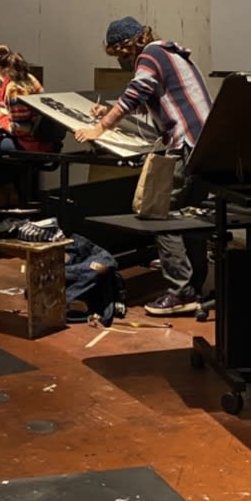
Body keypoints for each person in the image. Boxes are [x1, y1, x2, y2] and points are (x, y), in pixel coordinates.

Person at [75, 17, 213, 315]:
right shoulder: (172, 54)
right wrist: (110, 108)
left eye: (123, 55)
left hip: (186, 144)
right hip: (206, 145)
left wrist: (101, 127)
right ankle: (193, 288)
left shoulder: (152, 53)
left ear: (132, 44)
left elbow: (138, 90)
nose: (125, 61)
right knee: (189, 219)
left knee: (157, 214)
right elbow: (148, 98)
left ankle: (180, 291)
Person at [0, 44, 54, 212]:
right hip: (44, 140)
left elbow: (21, 129)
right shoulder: (28, 78)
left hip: (29, 143)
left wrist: (2, 120)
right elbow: (18, 98)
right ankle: (6, 191)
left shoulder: (13, 88)